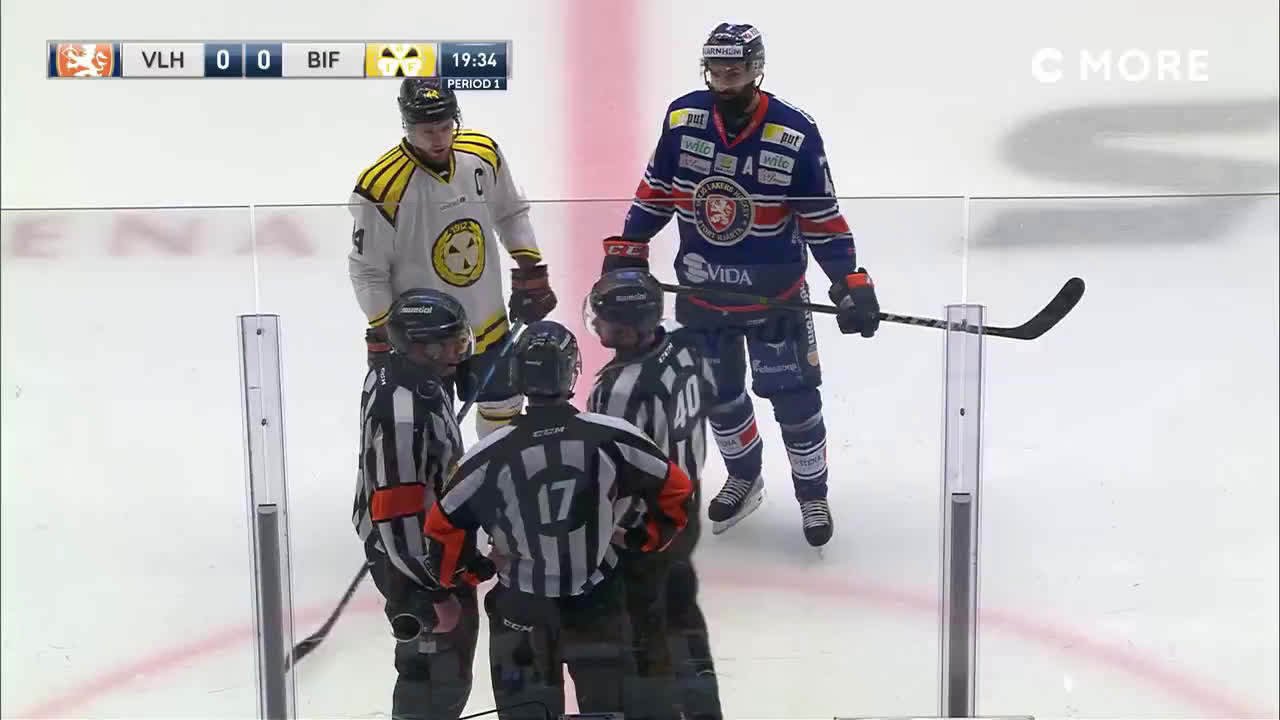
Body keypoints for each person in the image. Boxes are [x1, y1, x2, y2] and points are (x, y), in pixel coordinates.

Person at [600, 22, 882, 547]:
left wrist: (850, 280)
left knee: (795, 400)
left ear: (757, 70)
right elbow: (656, 192)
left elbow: (821, 218)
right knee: (720, 397)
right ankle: (744, 476)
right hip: (703, 296)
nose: (725, 82)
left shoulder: (794, 133)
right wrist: (627, 248)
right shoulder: (682, 119)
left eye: (736, 71)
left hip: (775, 299)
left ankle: (812, 493)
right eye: (717, 72)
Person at [421, 320, 695, 720]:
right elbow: (677, 491)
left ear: (517, 376)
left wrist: (476, 571)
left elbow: (441, 530)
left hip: (521, 608)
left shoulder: (488, 454)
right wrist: (640, 538)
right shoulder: (612, 436)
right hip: (598, 603)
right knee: (608, 711)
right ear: (570, 372)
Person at [349, 77, 558, 440]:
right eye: (427, 131)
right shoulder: (381, 186)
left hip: (487, 319)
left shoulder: (482, 153)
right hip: (424, 339)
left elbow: (510, 211)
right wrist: (383, 331)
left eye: (446, 127)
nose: (439, 139)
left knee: (504, 414)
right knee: (429, 429)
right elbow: (367, 270)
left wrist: (531, 270)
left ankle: (494, 473)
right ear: (407, 126)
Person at [584, 268, 724, 720]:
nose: (597, 323)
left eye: (605, 317)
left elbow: (610, 475)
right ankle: (705, 712)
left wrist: (616, 534)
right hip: (688, 503)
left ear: (628, 328)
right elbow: (710, 395)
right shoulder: (684, 344)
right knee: (683, 615)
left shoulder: (617, 391)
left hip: (646, 525)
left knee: (646, 635)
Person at [351, 288, 495, 720]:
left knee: (438, 673)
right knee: (435, 678)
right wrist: (432, 589)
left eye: (459, 340)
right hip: (419, 565)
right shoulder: (402, 411)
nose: (458, 352)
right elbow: (398, 515)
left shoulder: (407, 376)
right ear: (417, 346)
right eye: (447, 344)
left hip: (421, 555)